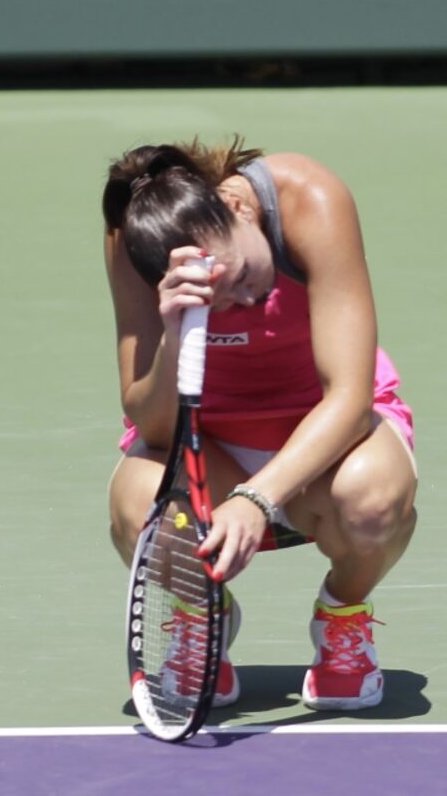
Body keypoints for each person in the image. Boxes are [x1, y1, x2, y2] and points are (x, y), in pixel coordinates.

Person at [102, 137, 418, 711]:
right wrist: (173, 333)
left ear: (239, 209)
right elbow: (153, 427)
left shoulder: (310, 199)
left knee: (372, 500)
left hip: (324, 441)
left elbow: (351, 400)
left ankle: (343, 614)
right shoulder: (135, 236)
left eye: (244, 274)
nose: (244, 302)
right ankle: (202, 616)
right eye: (218, 303)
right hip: (209, 447)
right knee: (142, 508)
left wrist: (256, 498)